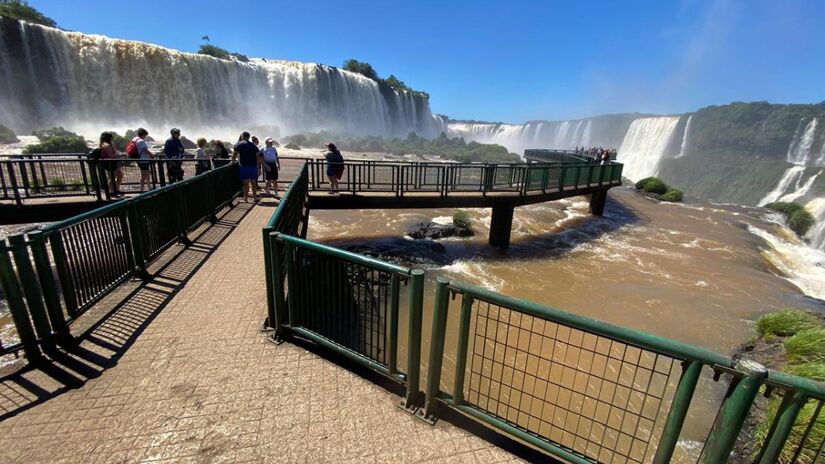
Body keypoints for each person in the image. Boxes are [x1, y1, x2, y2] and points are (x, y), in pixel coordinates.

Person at [232, 131, 261, 202]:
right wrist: (257, 166)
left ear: (242, 136)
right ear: (248, 137)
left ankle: (245, 199)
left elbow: (234, 154)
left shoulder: (239, 144)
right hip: (253, 167)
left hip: (244, 167)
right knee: (254, 183)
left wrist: (232, 161)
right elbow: (258, 157)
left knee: (246, 184)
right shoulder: (254, 146)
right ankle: (255, 198)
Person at [98, 131, 123, 196]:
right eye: (111, 137)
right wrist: (119, 155)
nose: (112, 138)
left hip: (114, 162)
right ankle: (112, 191)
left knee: (120, 175)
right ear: (109, 138)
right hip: (110, 163)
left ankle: (117, 189)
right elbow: (110, 155)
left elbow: (114, 152)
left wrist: (118, 154)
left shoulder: (109, 144)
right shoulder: (106, 145)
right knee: (112, 178)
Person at [132, 128, 154, 192]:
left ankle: (149, 187)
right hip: (143, 160)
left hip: (140, 159)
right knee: (144, 175)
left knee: (147, 173)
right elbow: (145, 150)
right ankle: (142, 190)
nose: (145, 137)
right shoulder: (141, 141)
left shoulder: (135, 139)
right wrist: (152, 155)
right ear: (143, 134)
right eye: (145, 135)